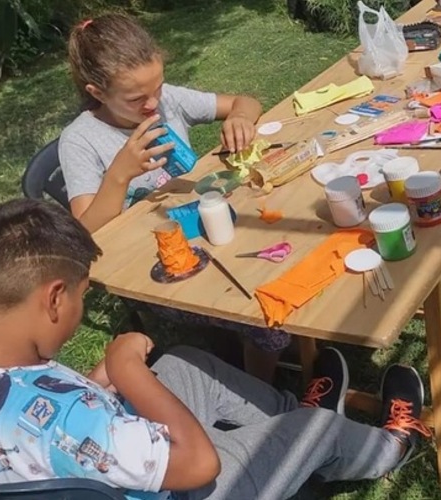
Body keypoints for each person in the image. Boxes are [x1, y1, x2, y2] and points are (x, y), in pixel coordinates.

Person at [0, 199, 431, 500]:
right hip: (186, 485)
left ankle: (290, 424)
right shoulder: (71, 421)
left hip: (114, 461)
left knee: (185, 361)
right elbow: (198, 465)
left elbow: (37, 423)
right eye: (82, 297)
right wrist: (126, 370)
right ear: (55, 298)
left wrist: (95, 380)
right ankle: (388, 447)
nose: (80, 309)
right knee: (316, 428)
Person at [58, 13, 289, 382]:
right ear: (97, 93)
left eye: (158, 88)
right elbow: (84, 231)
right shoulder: (81, 140)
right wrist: (120, 174)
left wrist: (240, 119)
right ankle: (261, 392)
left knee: (284, 249)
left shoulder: (166, 101)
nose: (153, 105)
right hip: (154, 267)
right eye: (137, 99)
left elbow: (244, 101)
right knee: (267, 318)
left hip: (202, 225)